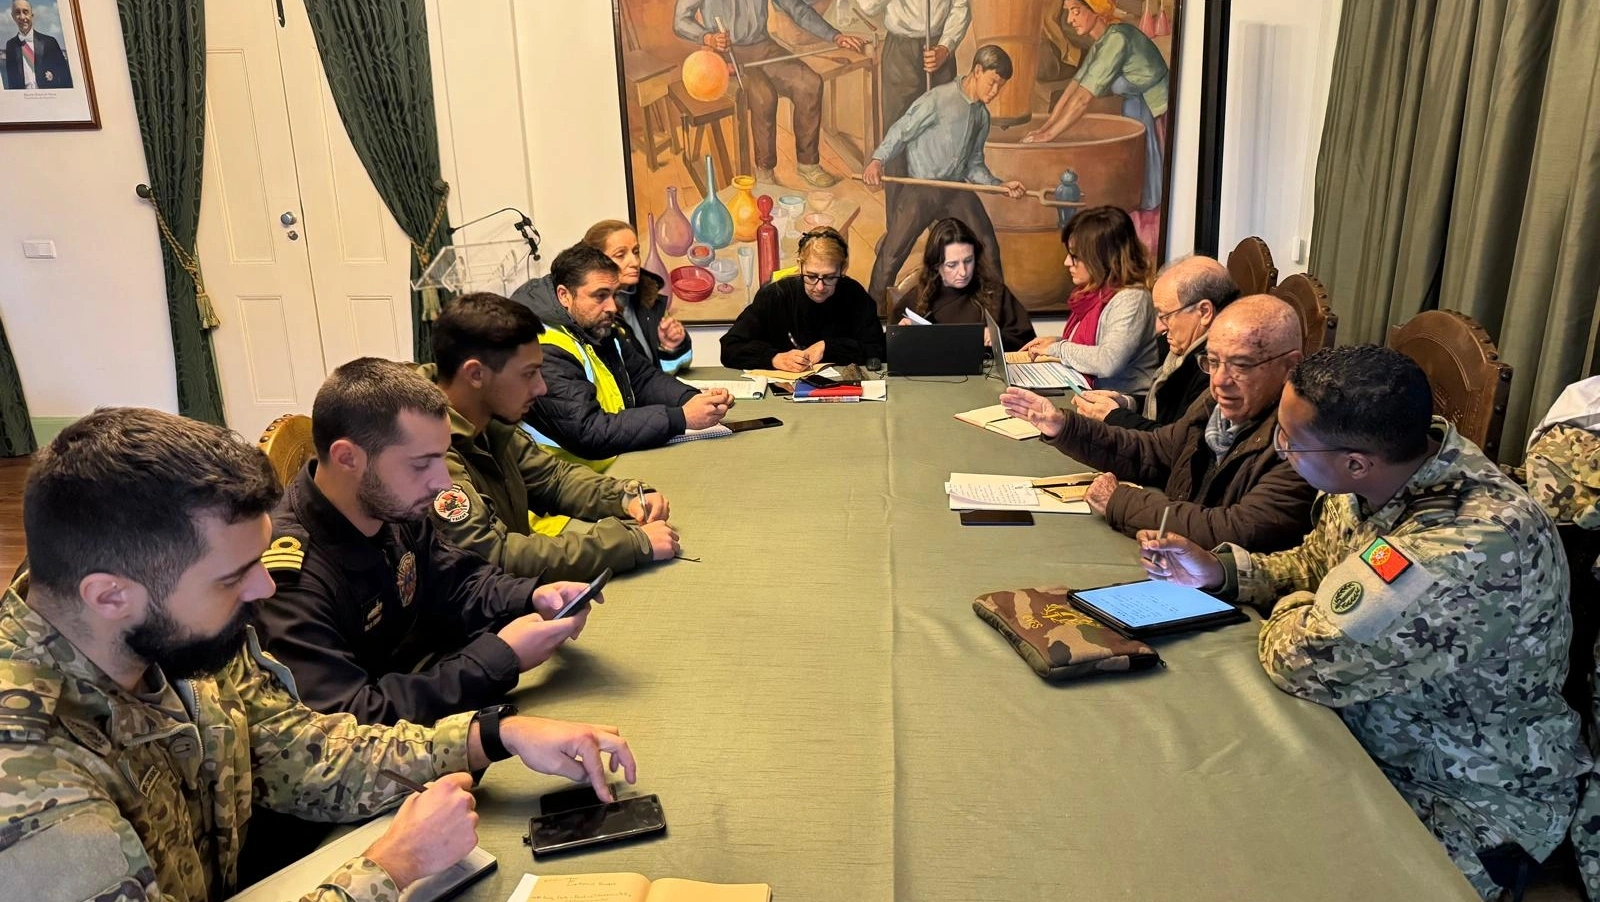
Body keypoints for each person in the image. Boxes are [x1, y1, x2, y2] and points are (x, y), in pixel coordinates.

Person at [0, 406, 636, 902]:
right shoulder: (26, 777)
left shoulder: (171, 635)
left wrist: (493, 735)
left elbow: (298, 750)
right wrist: (391, 867)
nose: (264, 588)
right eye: (233, 576)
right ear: (110, 595)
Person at [1136, 346, 1588, 900]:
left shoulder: (1466, 545)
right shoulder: (1377, 474)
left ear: (1355, 462)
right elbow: (1316, 563)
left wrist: (1304, 610)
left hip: (1462, 795)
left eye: (1289, 441)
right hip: (1356, 733)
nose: (1280, 451)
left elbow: (1301, 661)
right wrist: (1224, 572)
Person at [256, 358, 596, 727]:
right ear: (347, 458)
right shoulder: (288, 578)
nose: (443, 483)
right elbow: (350, 718)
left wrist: (531, 596)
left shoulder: (390, 505)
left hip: (423, 697)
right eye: (421, 464)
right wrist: (500, 658)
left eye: (442, 458)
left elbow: (457, 581)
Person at [1000, 294, 1314, 551]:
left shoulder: (1304, 442)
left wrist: (1120, 501)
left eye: (1241, 365)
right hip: (1175, 561)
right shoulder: (1216, 404)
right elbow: (1155, 451)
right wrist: (1063, 427)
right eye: (1213, 361)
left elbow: (1235, 530)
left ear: (1290, 366)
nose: (1219, 380)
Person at [426, 292, 682, 582]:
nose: (541, 388)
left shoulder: (486, 421)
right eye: (528, 374)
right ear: (475, 374)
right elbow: (493, 555)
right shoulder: (428, 451)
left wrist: (625, 497)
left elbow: (553, 480)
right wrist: (629, 543)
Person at [517, 244, 732, 470]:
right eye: (600, 296)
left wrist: (694, 399)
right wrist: (682, 417)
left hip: (614, 460)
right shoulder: (544, 349)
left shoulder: (596, 327)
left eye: (614, 294)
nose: (612, 306)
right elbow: (588, 431)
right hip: (569, 479)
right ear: (564, 295)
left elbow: (643, 379)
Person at [862, 45, 1028, 301]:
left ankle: (997, 311)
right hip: (922, 190)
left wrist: (999, 185)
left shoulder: (982, 116)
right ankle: (873, 310)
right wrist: (877, 160)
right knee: (892, 254)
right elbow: (901, 131)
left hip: (955, 190)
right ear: (977, 71)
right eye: (993, 82)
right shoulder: (938, 99)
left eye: (1000, 86)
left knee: (987, 246)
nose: (995, 91)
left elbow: (974, 164)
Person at [672, 0, 867, 188]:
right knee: (764, 97)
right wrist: (708, 38)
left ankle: (808, 164)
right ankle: (765, 170)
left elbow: (796, 8)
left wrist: (835, 36)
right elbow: (680, 21)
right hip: (726, 55)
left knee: (809, 84)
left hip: (763, 47)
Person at [1025, 0, 1171, 250]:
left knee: (1147, 191)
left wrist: (1050, 136)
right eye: (1068, 13)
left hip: (1153, 111)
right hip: (1135, 109)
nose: (1069, 20)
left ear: (1097, 9)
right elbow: (1074, 87)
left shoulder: (1117, 39)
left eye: (1076, 11)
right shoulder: (1102, 43)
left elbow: (1083, 99)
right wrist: (1045, 127)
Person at [1073, 255, 1238, 430]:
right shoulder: (1184, 348)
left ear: (1204, 312)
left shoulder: (1215, 370)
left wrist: (1114, 416)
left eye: (1165, 315)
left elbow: (1174, 441)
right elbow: (1165, 407)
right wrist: (1127, 403)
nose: (1159, 327)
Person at [1018, 205, 1158, 396]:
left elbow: (1108, 361)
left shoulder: (1132, 298)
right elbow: (1096, 343)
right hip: (1093, 394)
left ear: (1103, 258)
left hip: (1122, 403)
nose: (1067, 262)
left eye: (1075, 256)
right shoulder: (1094, 292)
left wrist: (1057, 348)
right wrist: (1057, 342)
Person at [720, 227, 886, 372]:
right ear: (800, 265)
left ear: (842, 269)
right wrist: (774, 358)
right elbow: (730, 347)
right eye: (811, 276)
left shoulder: (854, 295)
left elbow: (877, 348)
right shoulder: (775, 295)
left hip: (843, 390)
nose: (819, 287)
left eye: (829, 277)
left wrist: (828, 347)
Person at [890, 216, 1035, 352]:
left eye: (968, 261)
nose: (963, 272)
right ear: (936, 264)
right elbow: (889, 352)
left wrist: (998, 338)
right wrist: (901, 336)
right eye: (952, 265)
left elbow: (1027, 344)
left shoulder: (997, 294)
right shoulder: (915, 299)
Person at [576, 219, 692, 374]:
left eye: (636, 252)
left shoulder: (651, 301)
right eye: (620, 255)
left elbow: (670, 372)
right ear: (596, 262)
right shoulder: (591, 313)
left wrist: (671, 347)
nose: (634, 262)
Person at [4, 0, 71, 90]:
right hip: (22, 97)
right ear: (13, 17)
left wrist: (53, 76)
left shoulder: (50, 42)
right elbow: (11, 81)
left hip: (48, 95)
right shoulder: (10, 45)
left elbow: (65, 76)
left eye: (25, 12)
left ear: (31, 15)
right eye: (17, 12)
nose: (22, 17)